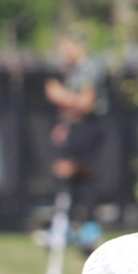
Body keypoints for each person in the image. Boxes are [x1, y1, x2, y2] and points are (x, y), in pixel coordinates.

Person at [44, 30, 110, 254]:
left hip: (88, 126)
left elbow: (85, 103)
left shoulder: (89, 67)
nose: (62, 53)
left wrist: (60, 94)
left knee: (69, 169)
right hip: (77, 125)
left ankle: (73, 226)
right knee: (76, 173)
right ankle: (76, 225)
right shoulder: (76, 69)